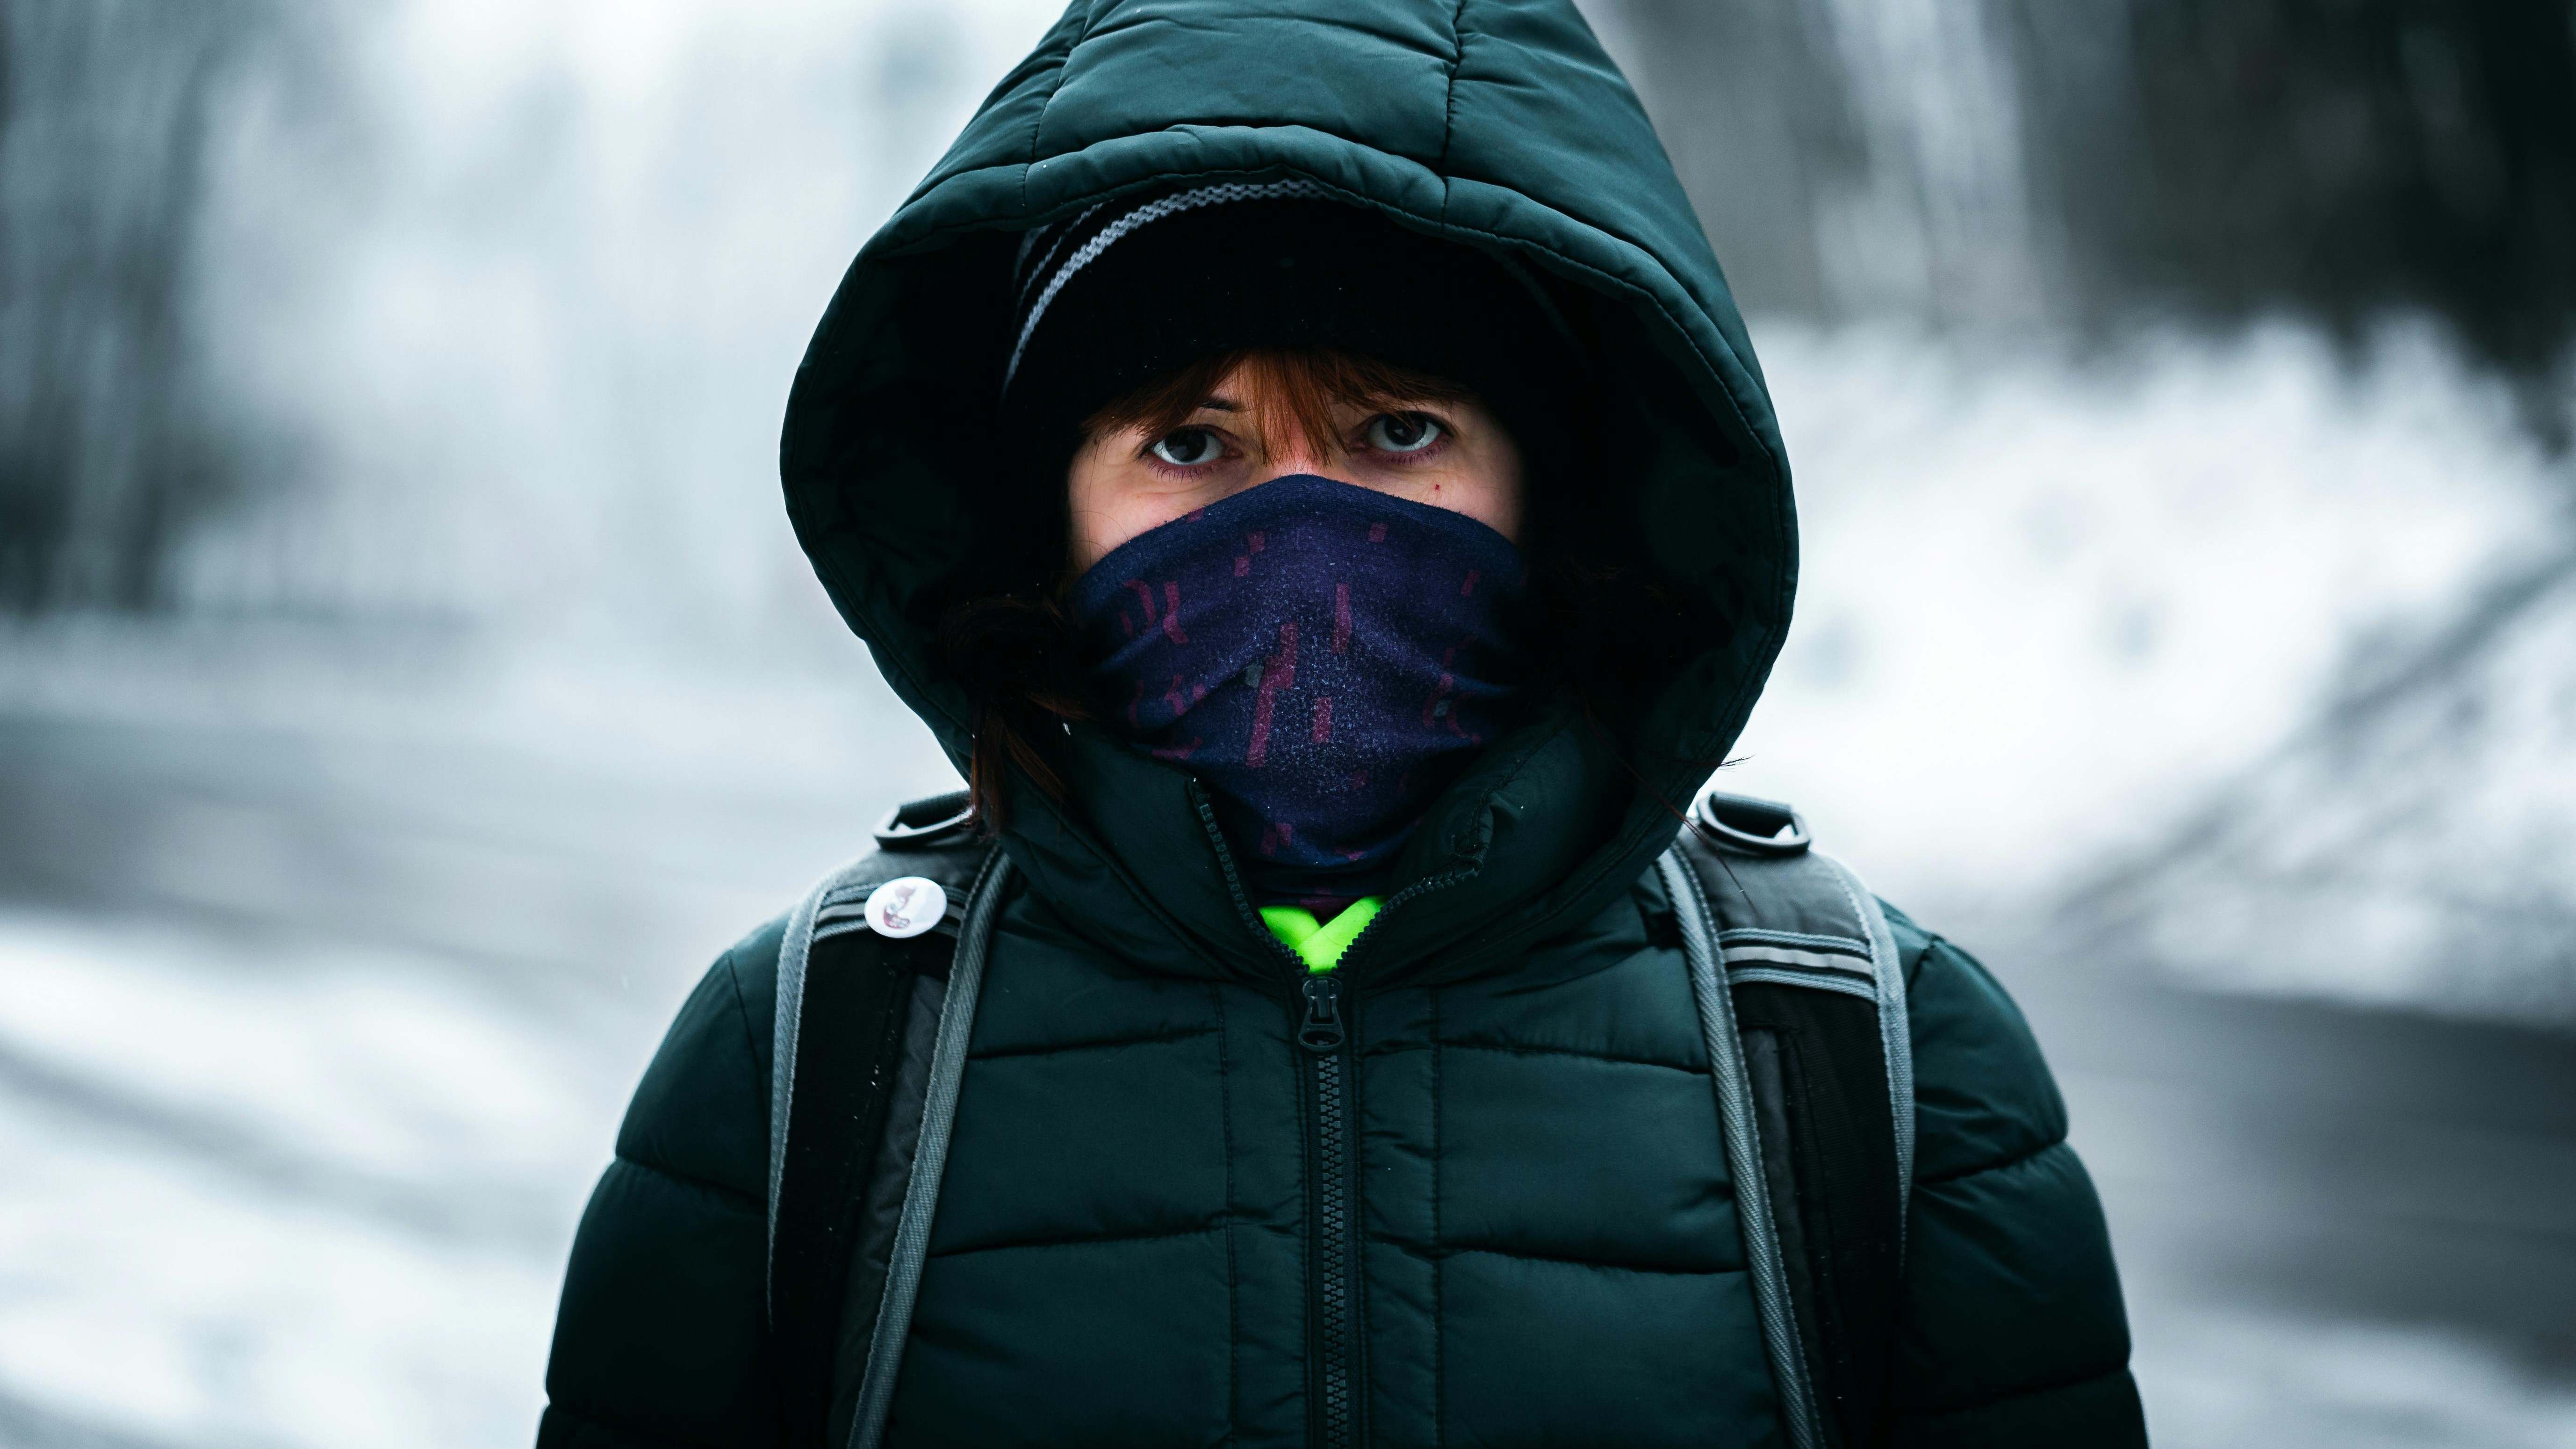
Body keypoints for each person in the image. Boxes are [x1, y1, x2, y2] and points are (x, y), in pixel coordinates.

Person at [537, 2, 2147, 1446]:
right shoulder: (812, 1065)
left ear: (1546, 488)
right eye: (1190, 443)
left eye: (1396, 427)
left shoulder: (1873, 1068)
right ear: (1054, 525)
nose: (1304, 536)